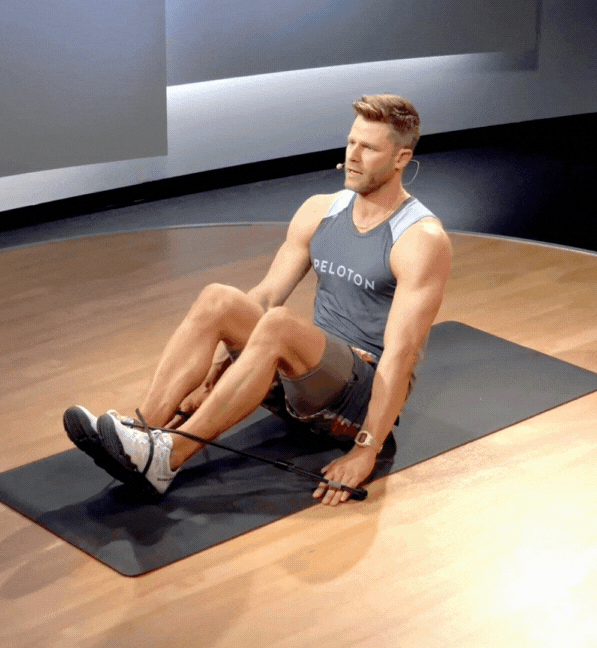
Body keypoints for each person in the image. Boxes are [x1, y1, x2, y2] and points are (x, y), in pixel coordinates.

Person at [64, 94, 453, 506]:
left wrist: (366, 449)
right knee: (220, 299)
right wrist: (217, 373)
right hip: (303, 377)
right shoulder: (320, 210)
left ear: (400, 158)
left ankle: (166, 460)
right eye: (351, 142)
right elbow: (265, 295)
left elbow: (401, 354)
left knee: (280, 324)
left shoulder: (421, 240)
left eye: (369, 147)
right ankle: (143, 433)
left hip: (359, 396)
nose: (352, 156)